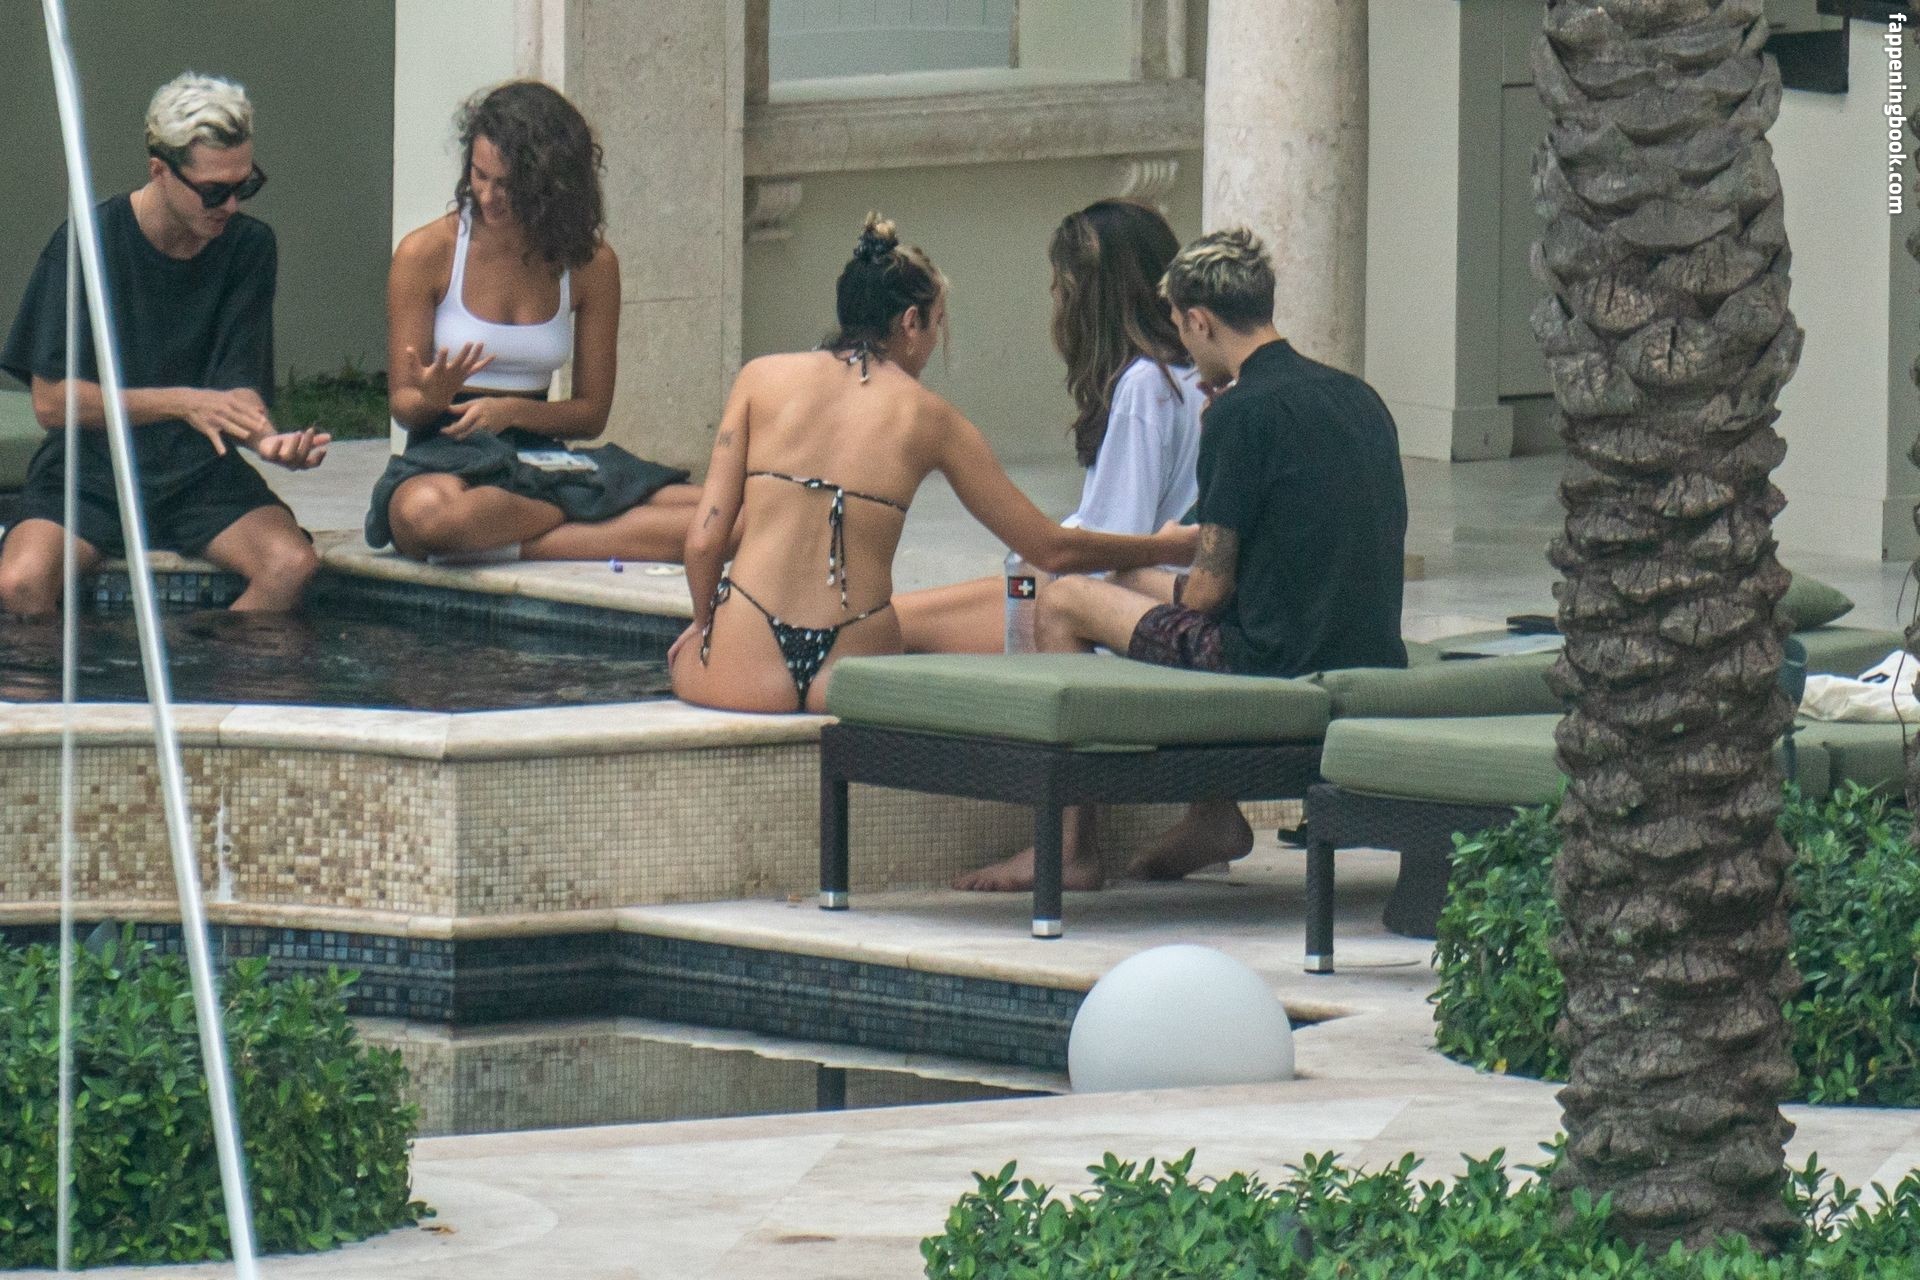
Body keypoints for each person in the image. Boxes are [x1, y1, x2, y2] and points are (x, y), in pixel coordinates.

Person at [955, 227, 1409, 893]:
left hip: (1271, 659)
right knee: (1128, 577)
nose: (1187, 354)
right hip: (1368, 647)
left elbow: (1206, 595)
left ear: (1199, 320)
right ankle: (1212, 817)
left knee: (1066, 598)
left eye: (1180, 329)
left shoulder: (1240, 414)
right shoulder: (1358, 397)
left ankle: (1069, 848)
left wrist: (1214, 453)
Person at [669, 215, 1196, 714]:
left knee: (683, 657)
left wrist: (703, 626)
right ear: (910, 322)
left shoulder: (759, 378)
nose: (934, 344)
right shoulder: (933, 419)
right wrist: (1165, 547)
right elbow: (1049, 548)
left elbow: (704, 542)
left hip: (743, 670)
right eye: (937, 324)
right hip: (854, 673)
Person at [0, 72, 327, 617]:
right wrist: (182, 402)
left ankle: (210, 661)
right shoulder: (87, 242)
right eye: (214, 191)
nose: (231, 206)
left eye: (245, 186)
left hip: (198, 472)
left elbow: (236, 386)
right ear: (160, 171)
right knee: (19, 584)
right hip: (91, 471)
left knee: (291, 566)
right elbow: (52, 403)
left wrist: (268, 440)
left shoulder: (249, 247)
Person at [367, 81, 699, 563]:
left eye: (507, 185)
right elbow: (404, 406)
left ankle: (522, 533)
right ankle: (591, 520)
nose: (487, 196)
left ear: (551, 186)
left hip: (540, 455)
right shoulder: (427, 253)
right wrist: (432, 397)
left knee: (730, 512)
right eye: (479, 175)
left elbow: (591, 414)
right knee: (427, 517)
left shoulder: (591, 264)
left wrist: (512, 412)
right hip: (447, 455)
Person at [892, 198, 1203, 653]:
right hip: (1116, 592)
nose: (1055, 296)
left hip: (1115, 609)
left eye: (1062, 284)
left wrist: (1040, 557)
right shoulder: (1191, 376)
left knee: (895, 625)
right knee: (903, 616)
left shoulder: (1145, 385)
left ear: (1092, 295)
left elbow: (1113, 543)